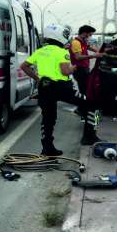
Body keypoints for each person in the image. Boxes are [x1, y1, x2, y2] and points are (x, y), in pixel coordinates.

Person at [20, 24, 103, 156]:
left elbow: (24, 66)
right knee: (91, 104)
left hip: (45, 87)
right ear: (59, 36)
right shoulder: (62, 52)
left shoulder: (40, 51)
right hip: (61, 87)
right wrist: (73, 68)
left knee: (48, 118)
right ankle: (89, 136)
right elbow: (65, 72)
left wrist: (37, 79)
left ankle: (47, 149)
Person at [98, 33, 117, 117]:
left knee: (112, 94)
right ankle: (107, 111)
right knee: (108, 94)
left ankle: (111, 111)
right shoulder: (108, 47)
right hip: (107, 74)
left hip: (115, 75)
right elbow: (103, 58)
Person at [69, 25, 103, 97]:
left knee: (88, 88)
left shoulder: (83, 42)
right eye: (90, 34)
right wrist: (93, 56)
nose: (90, 36)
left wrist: (103, 51)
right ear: (84, 33)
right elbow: (78, 57)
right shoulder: (76, 42)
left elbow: (92, 48)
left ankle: (85, 104)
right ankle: (83, 106)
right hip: (79, 69)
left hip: (84, 68)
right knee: (84, 90)